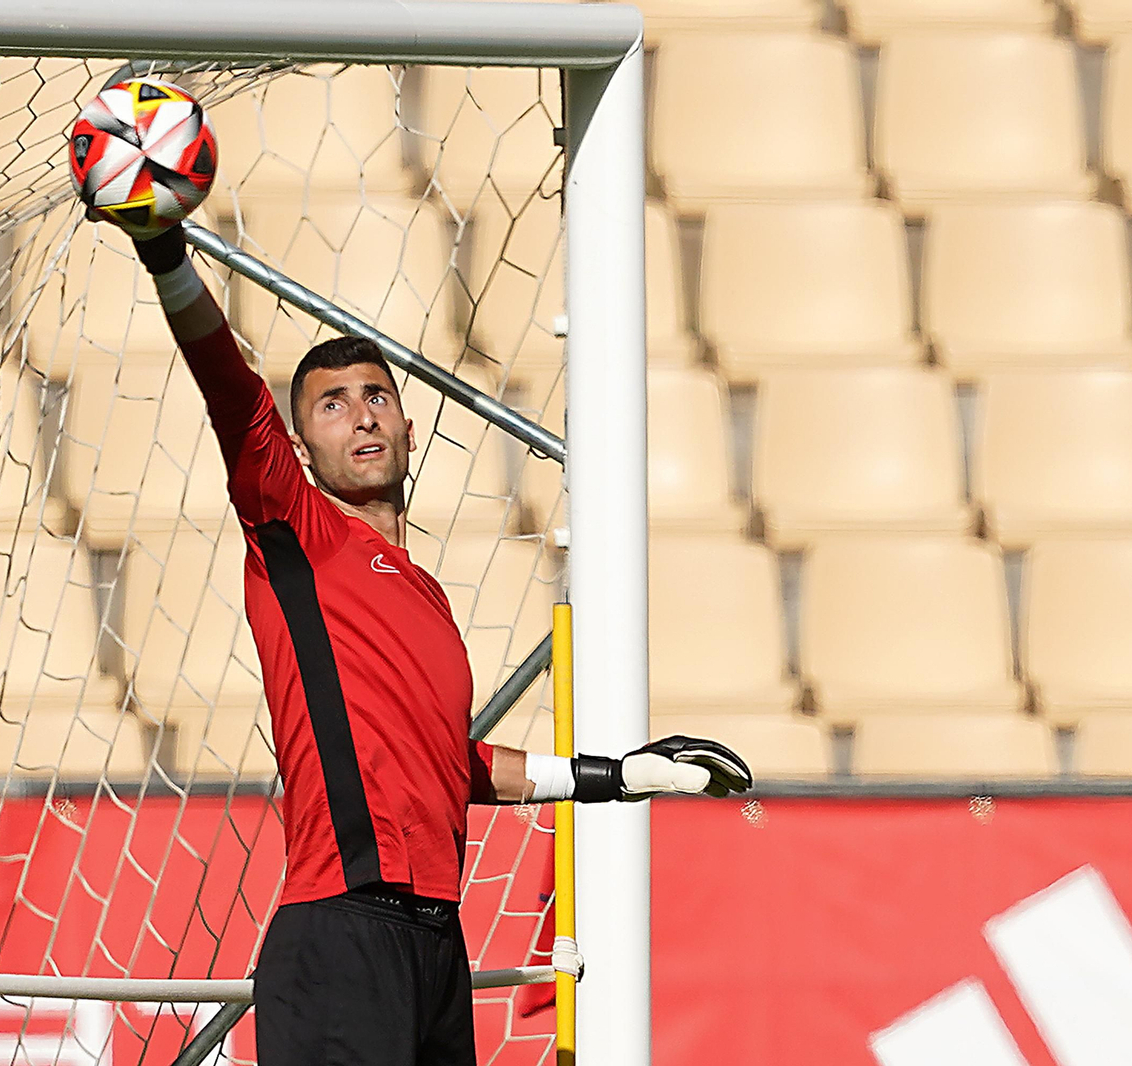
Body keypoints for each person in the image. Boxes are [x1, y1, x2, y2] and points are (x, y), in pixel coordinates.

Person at [107, 217, 752, 1066]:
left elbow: (452, 764)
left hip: (437, 945)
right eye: (331, 406)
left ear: (412, 429)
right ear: (299, 446)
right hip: (338, 937)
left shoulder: (429, 599)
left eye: (377, 397)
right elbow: (231, 390)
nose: (361, 417)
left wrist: (617, 776)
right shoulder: (294, 529)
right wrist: (164, 251)